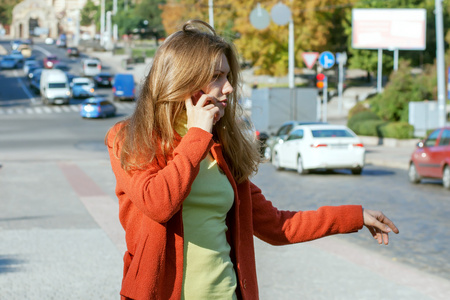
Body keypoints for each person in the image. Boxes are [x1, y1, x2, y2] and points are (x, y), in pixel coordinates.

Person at [105, 20, 399, 300]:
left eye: (228, 77)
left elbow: (277, 226)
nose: (229, 88)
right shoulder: (130, 138)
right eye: (217, 76)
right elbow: (159, 203)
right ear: (184, 79)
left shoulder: (220, 148)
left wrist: (354, 216)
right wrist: (196, 135)